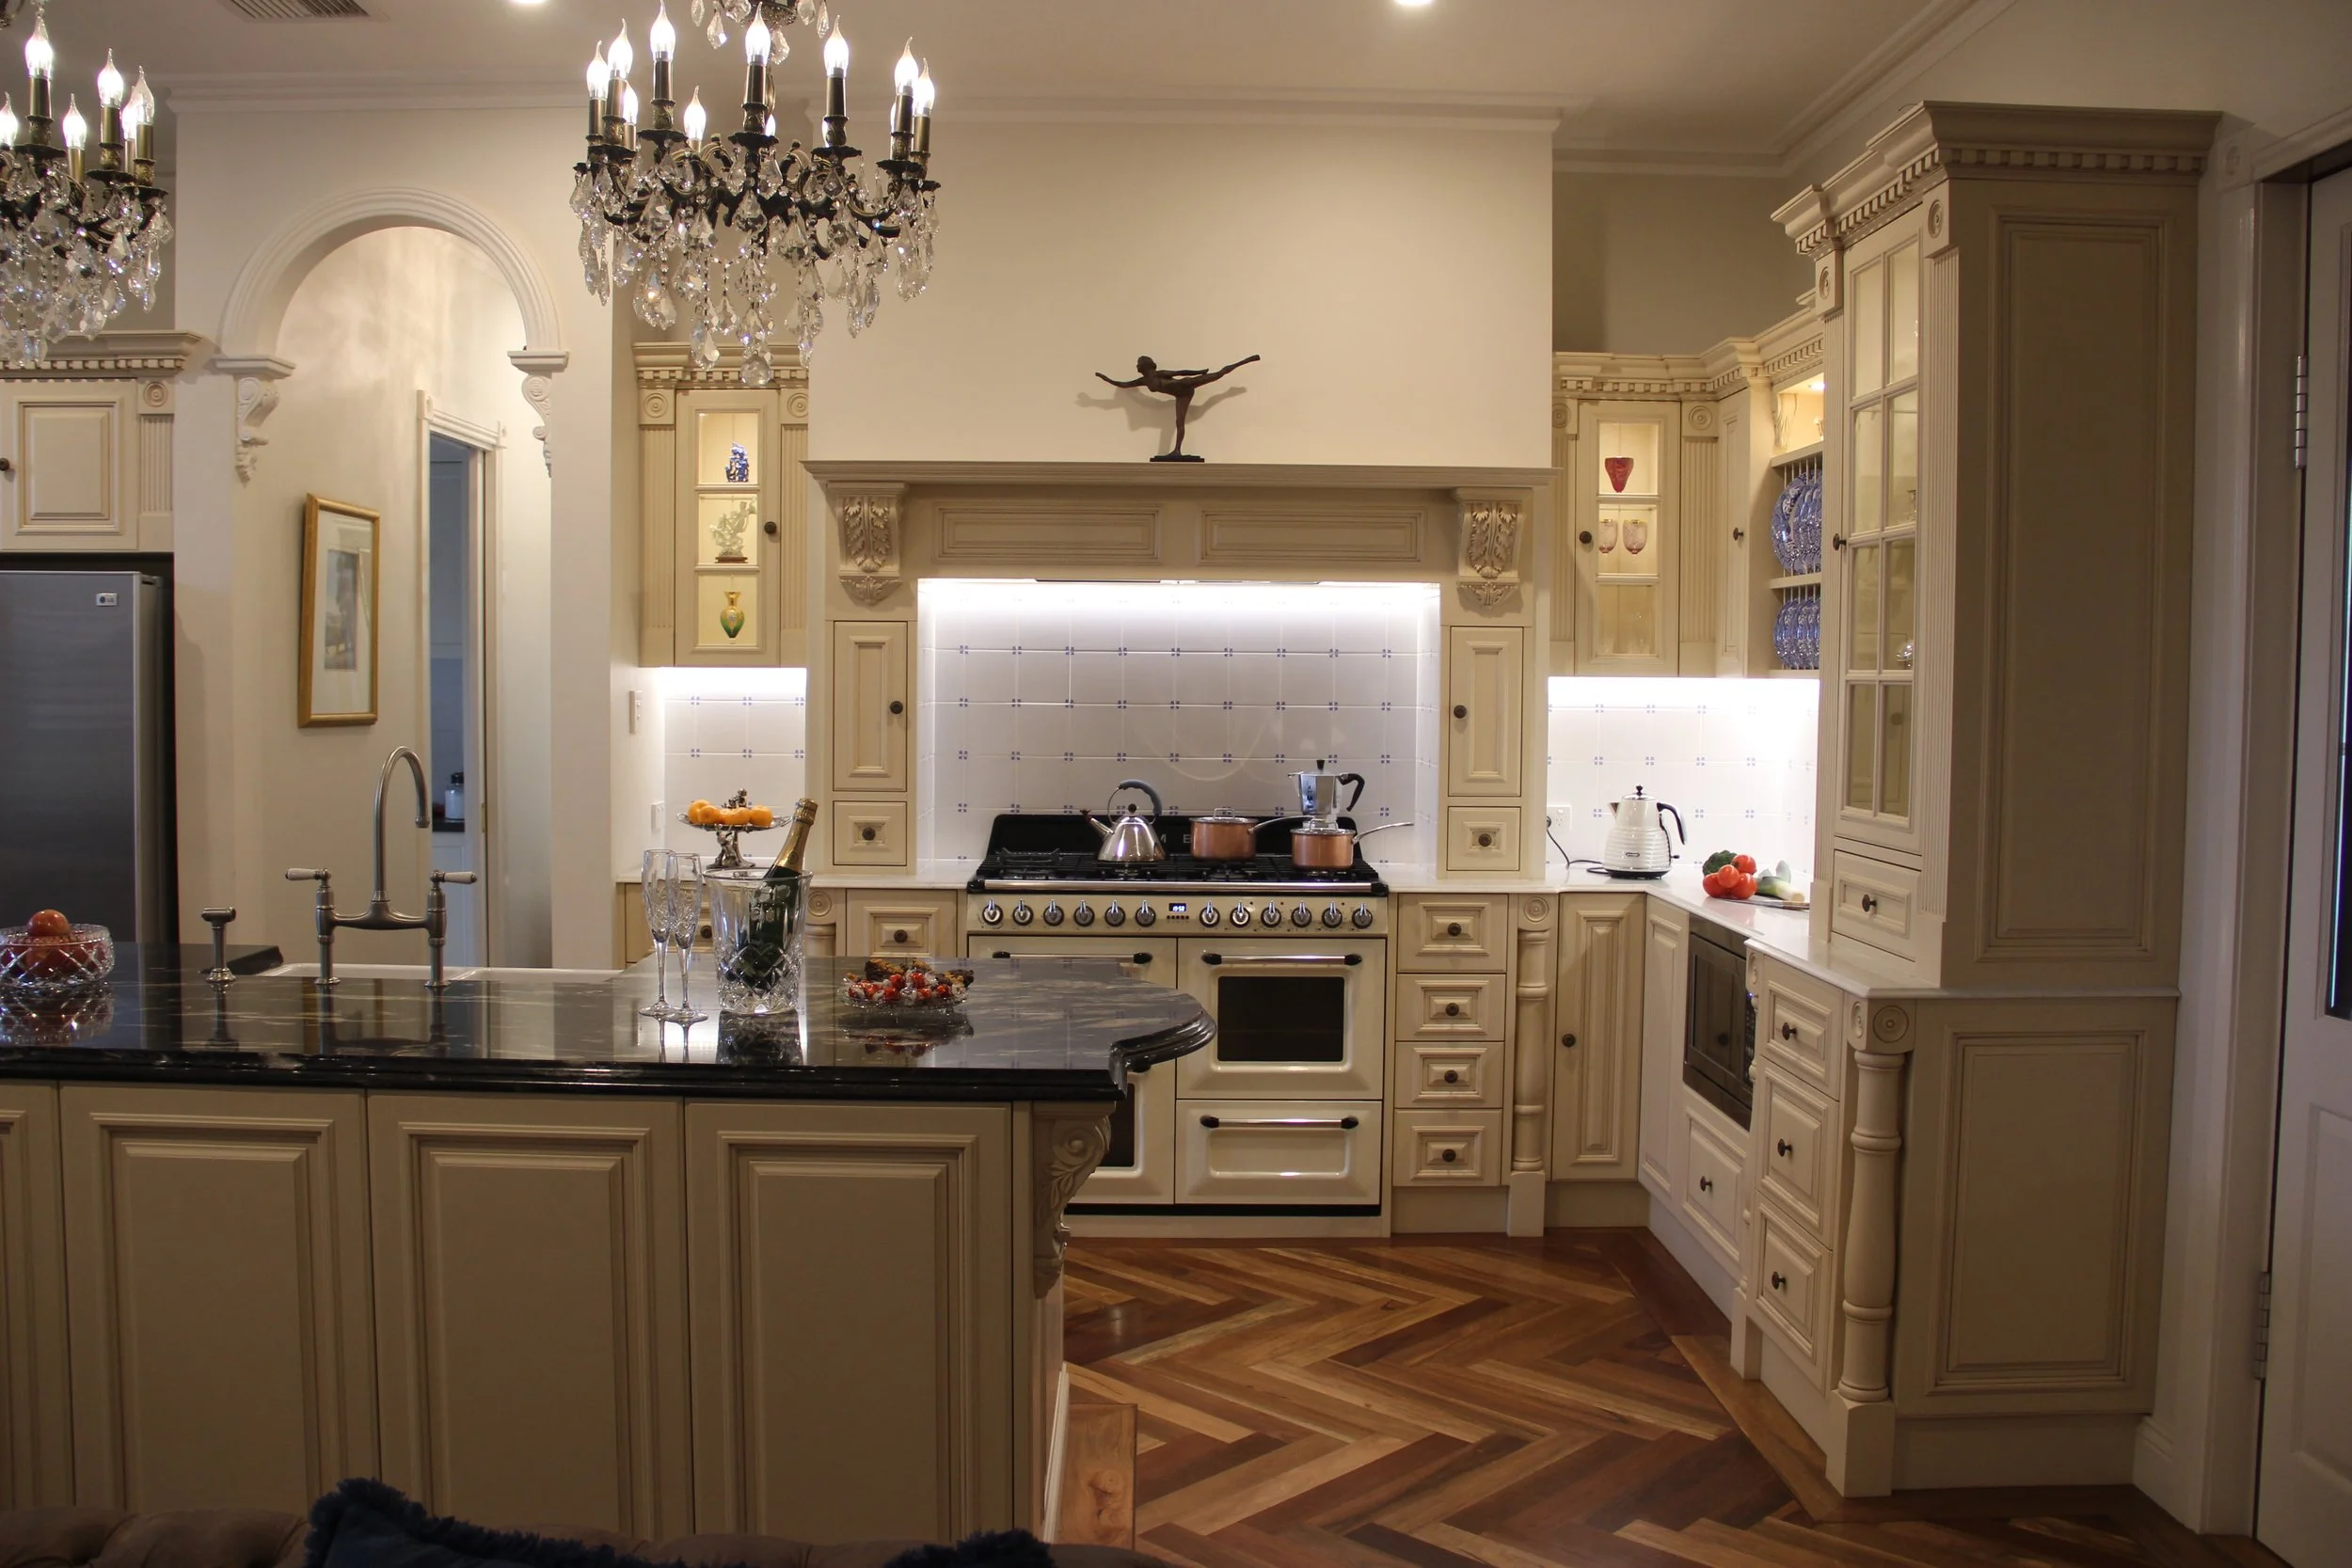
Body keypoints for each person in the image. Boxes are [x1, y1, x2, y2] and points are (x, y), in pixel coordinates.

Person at [1095, 354, 1260, 461]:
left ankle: (1246, 361)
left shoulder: (1158, 374)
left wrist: (1199, 372)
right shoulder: (1144, 381)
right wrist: (1106, 379)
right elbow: (1124, 384)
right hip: (1182, 395)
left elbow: (1180, 372)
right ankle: (1177, 451)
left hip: (1186, 384)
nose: (1137, 366)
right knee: (1179, 423)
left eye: (1139, 363)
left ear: (1145, 365)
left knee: (1218, 374)